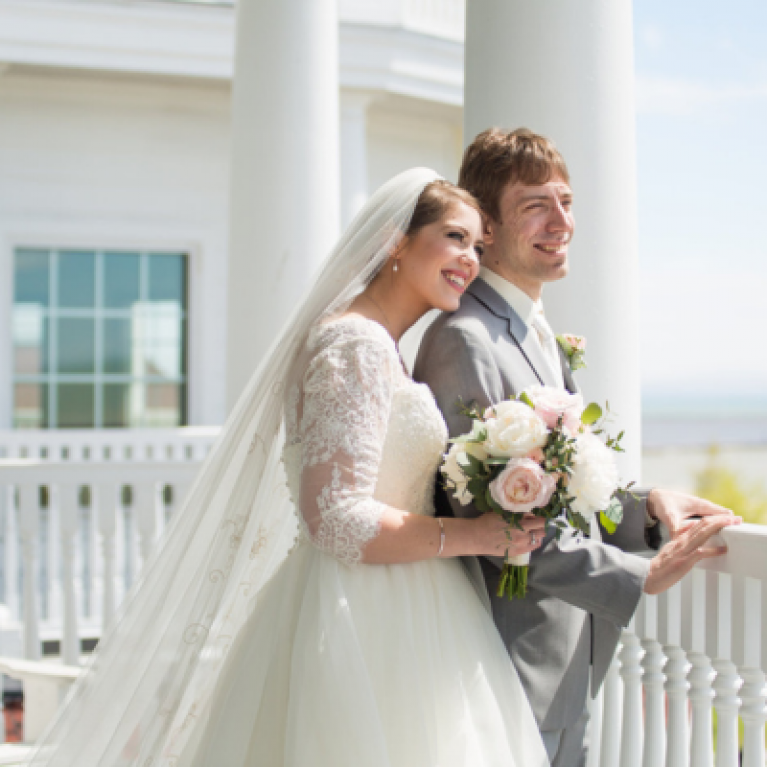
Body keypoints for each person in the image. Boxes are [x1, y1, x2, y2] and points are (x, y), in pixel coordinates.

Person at [25, 169, 551, 767]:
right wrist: (473, 535)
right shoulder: (356, 343)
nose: (469, 259)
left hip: (404, 598)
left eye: (478, 246)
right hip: (368, 615)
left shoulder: (378, 344)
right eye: (455, 237)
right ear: (396, 242)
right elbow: (335, 515)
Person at [413, 128, 740, 767]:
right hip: (509, 667)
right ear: (484, 226)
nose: (561, 220)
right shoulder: (466, 339)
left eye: (566, 201)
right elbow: (500, 526)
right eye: (536, 204)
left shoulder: (530, 329)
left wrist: (648, 507)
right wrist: (640, 577)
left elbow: (561, 491)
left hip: (565, 673)